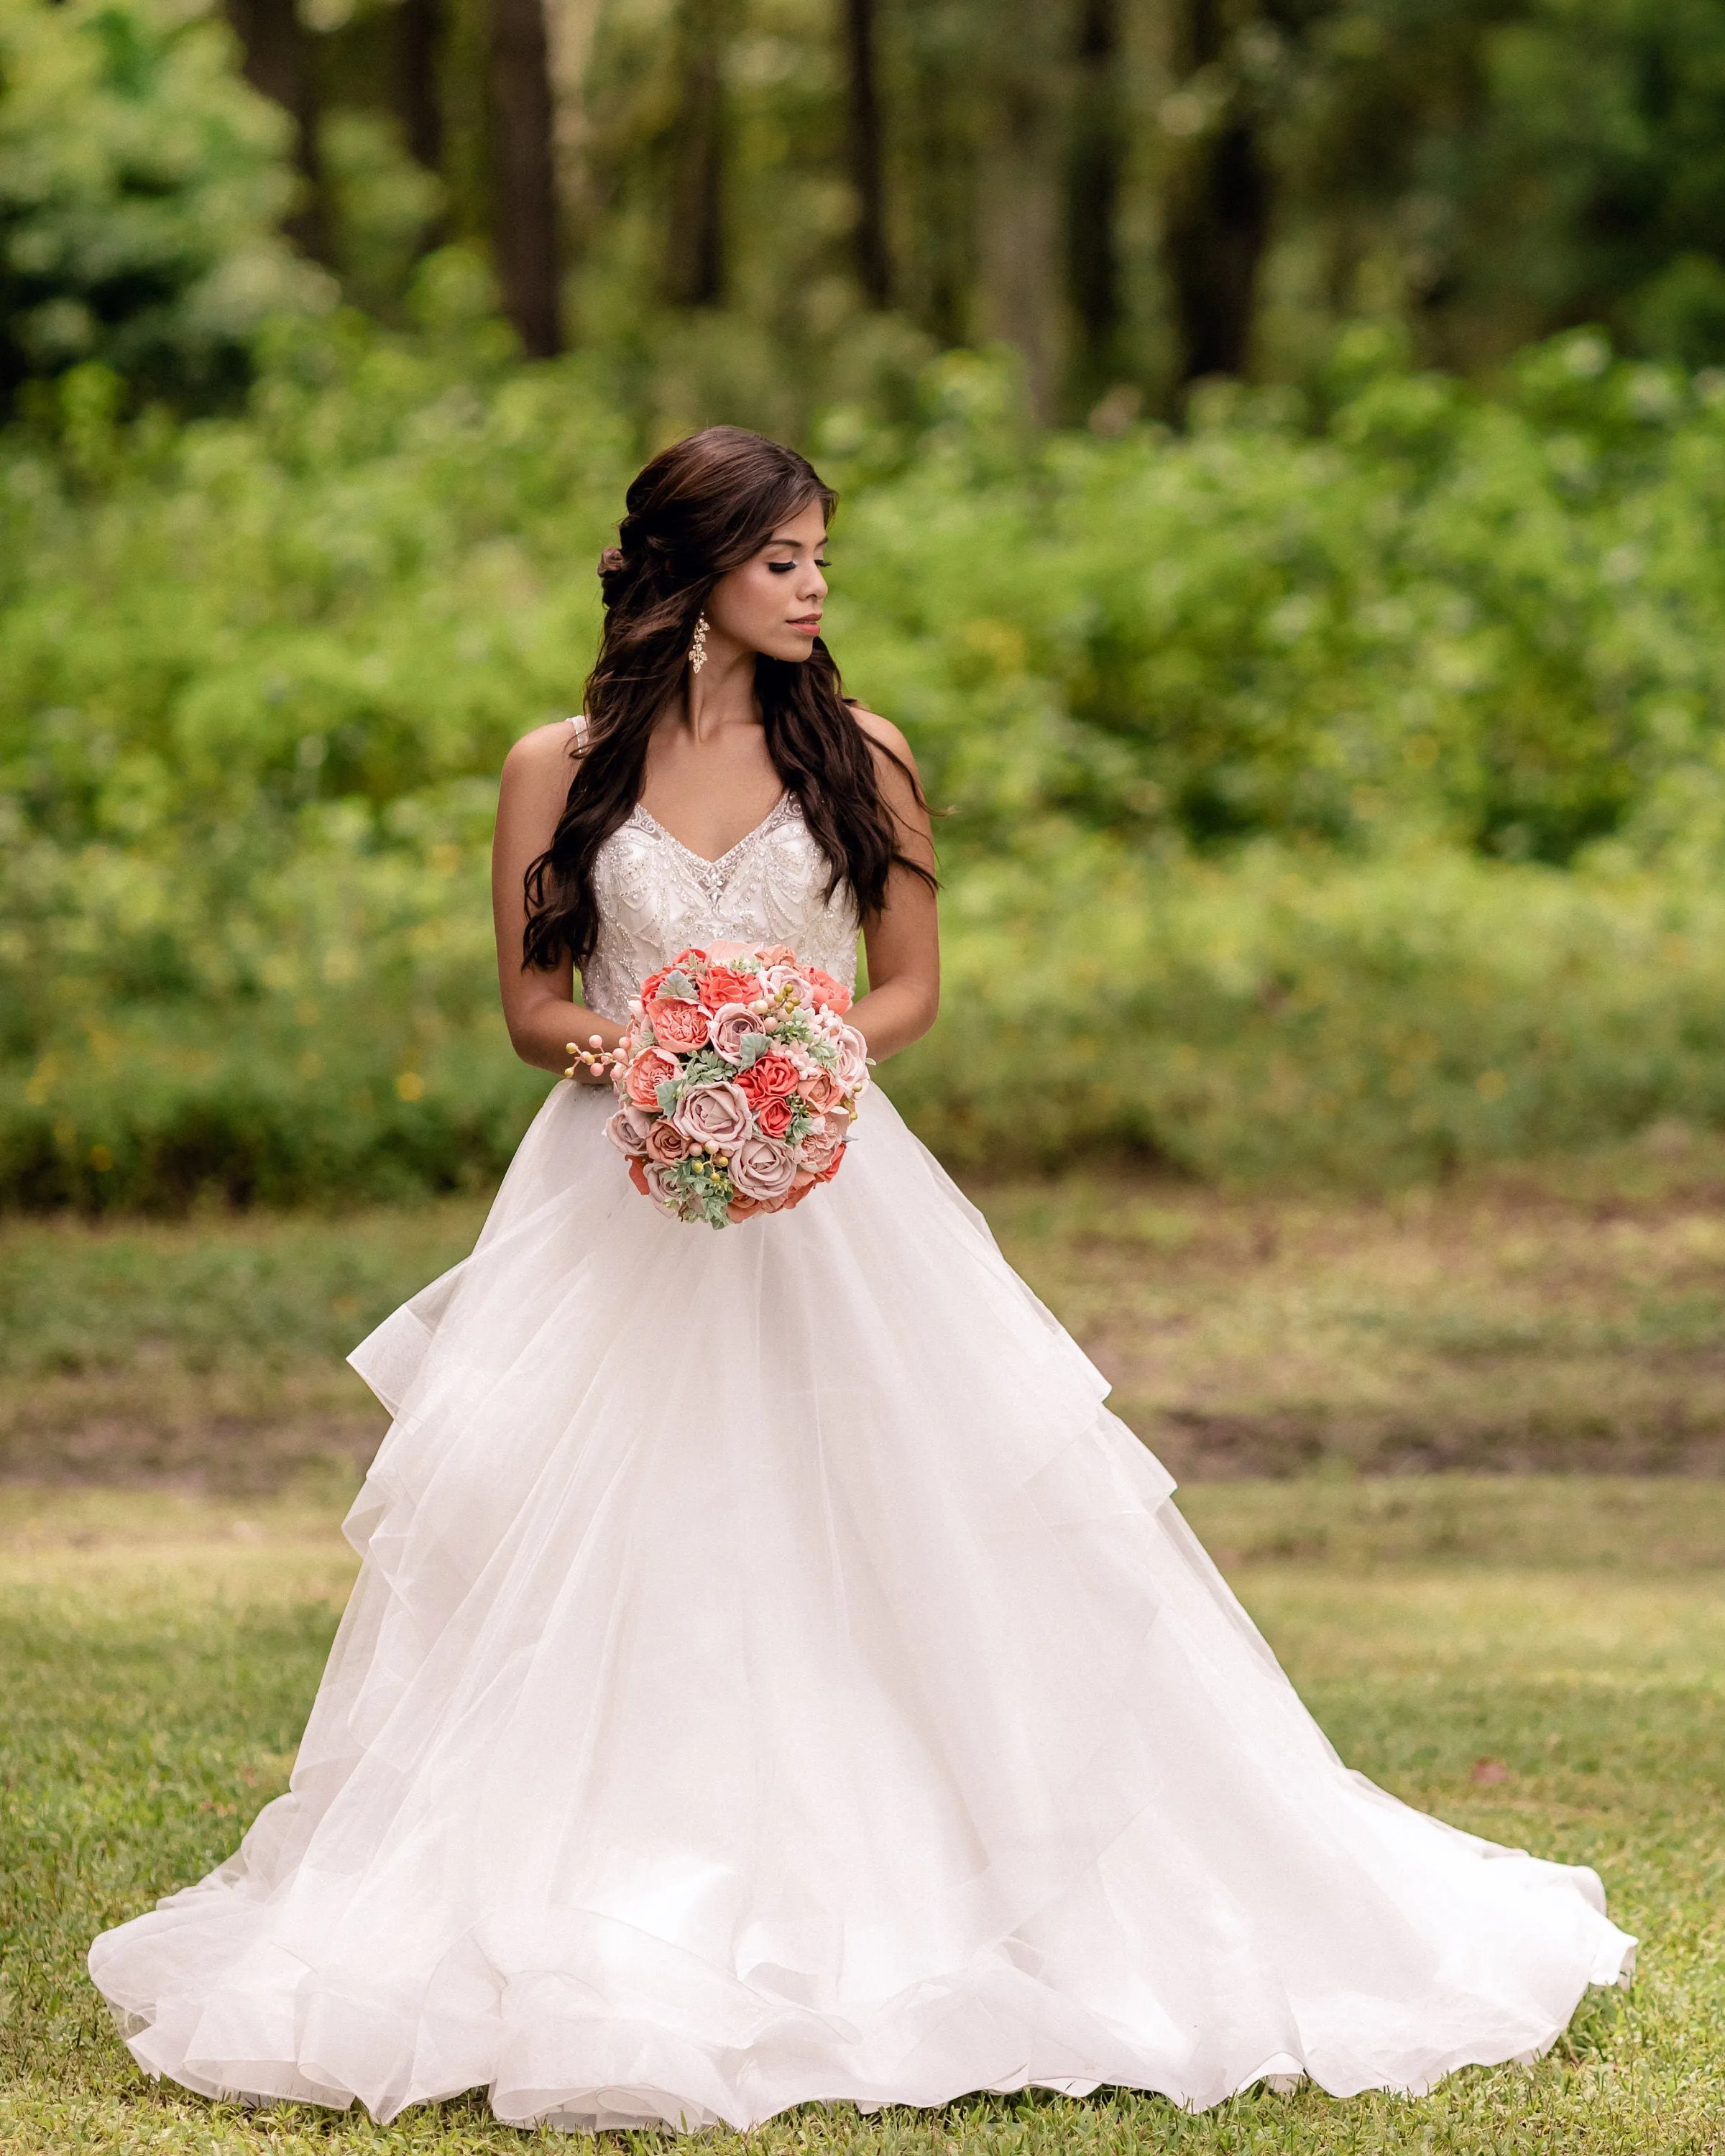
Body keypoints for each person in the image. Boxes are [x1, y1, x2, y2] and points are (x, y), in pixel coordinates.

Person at [89, 425, 1633, 2133]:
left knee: (901, 1514)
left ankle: (955, 1877)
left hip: (835, 1190)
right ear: (690, 574)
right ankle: (606, 1892)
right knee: (620, 1532)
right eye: (784, 561)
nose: (816, 588)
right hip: (623, 1197)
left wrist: (798, 1054)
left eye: (824, 559)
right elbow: (534, 1009)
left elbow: (908, 989)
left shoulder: (866, 755)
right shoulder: (559, 764)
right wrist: (654, 1058)